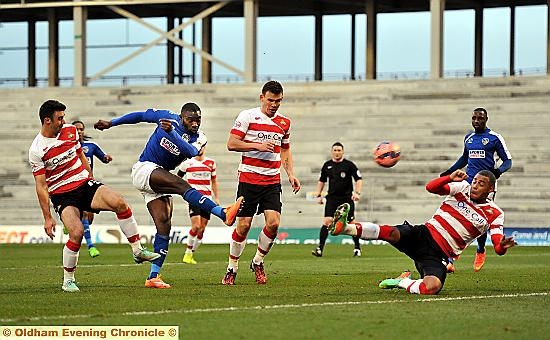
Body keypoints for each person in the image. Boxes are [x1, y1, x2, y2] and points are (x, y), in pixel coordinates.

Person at [94, 102, 243, 289]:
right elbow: (141, 115)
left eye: (198, 120)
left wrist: (172, 132)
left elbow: (190, 152)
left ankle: (153, 276)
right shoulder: (166, 116)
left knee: (164, 225)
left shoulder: (200, 137)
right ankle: (222, 213)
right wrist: (112, 123)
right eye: (191, 120)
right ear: (182, 117)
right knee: (181, 184)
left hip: (158, 177)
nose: (195, 124)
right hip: (144, 168)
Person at [29, 100, 160, 293]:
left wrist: (90, 177)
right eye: (60, 118)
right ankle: (68, 280)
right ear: (47, 120)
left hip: (83, 184)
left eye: (64, 117)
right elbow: (40, 186)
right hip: (62, 195)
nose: (63, 121)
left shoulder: (70, 131)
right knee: (76, 232)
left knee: (120, 203)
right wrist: (47, 217)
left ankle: (137, 250)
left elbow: (80, 155)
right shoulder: (37, 150)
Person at [328, 169, 516, 295]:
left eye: (481, 184)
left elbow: (498, 247)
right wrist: (449, 178)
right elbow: (431, 187)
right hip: (425, 234)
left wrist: (502, 246)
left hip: (440, 254)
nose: (475, 185)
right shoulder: (462, 188)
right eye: (475, 181)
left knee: (432, 287)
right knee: (392, 233)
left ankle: (402, 282)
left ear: (490, 188)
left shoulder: (495, 213)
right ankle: (345, 228)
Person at [221, 80, 301, 285]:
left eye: (279, 101)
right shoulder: (247, 116)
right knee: (243, 226)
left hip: (272, 180)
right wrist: (257, 145)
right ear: (262, 98)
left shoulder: (285, 123)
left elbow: (285, 149)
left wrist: (290, 173)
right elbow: (231, 144)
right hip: (248, 179)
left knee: (273, 224)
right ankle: (232, 267)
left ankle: (258, 261)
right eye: (271, 100)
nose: (274, 104)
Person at [440, 107, 512, 272]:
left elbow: (508, 161)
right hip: (468, 183)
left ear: (486, 119)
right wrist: (449, 172)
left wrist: (498, 171)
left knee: (480, 221)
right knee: (456, 216)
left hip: (486, 187)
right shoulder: (469, 138)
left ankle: (480, 250)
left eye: (480, 118)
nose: (476, 121)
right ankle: (450, 258)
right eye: (474, 118)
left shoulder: (495, 138)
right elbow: (464, 158)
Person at [312, 142, 363, 257]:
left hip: (346, 199)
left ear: (343, 152)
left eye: (339, 150)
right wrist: (318, 195)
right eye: (335, 150)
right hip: (332, 199)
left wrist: (357, 193)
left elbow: (358, 179)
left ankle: (357, 248)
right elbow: (322, 181)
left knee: (351, 223)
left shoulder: (349, 165)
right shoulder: (327, 165)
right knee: (327, 222)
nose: (337, 152)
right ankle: (320, 249)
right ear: (332, 152)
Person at [71, 120, 113, 258]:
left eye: (81, 129)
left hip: (89, 183)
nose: (79, 131)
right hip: (74, 184)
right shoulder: (67, 147)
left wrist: (106, 158)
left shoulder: (91, 146)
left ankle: (70, 223)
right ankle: (91, 246)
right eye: (76, 129)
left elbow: (103, 157)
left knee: (89, 218)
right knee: (83, 214)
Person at [176, 145, 219, 265]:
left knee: (202, 229)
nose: (200, 149)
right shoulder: (187, 163)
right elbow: (177, 179)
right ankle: (187, 253)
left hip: (207, 199)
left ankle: (191, 253)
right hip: (194, 199)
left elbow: (214, 181)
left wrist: (216, 198)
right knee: (196, 226)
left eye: (202, 147)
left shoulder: (211, 163)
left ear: (205, 148)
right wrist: (184, 190)